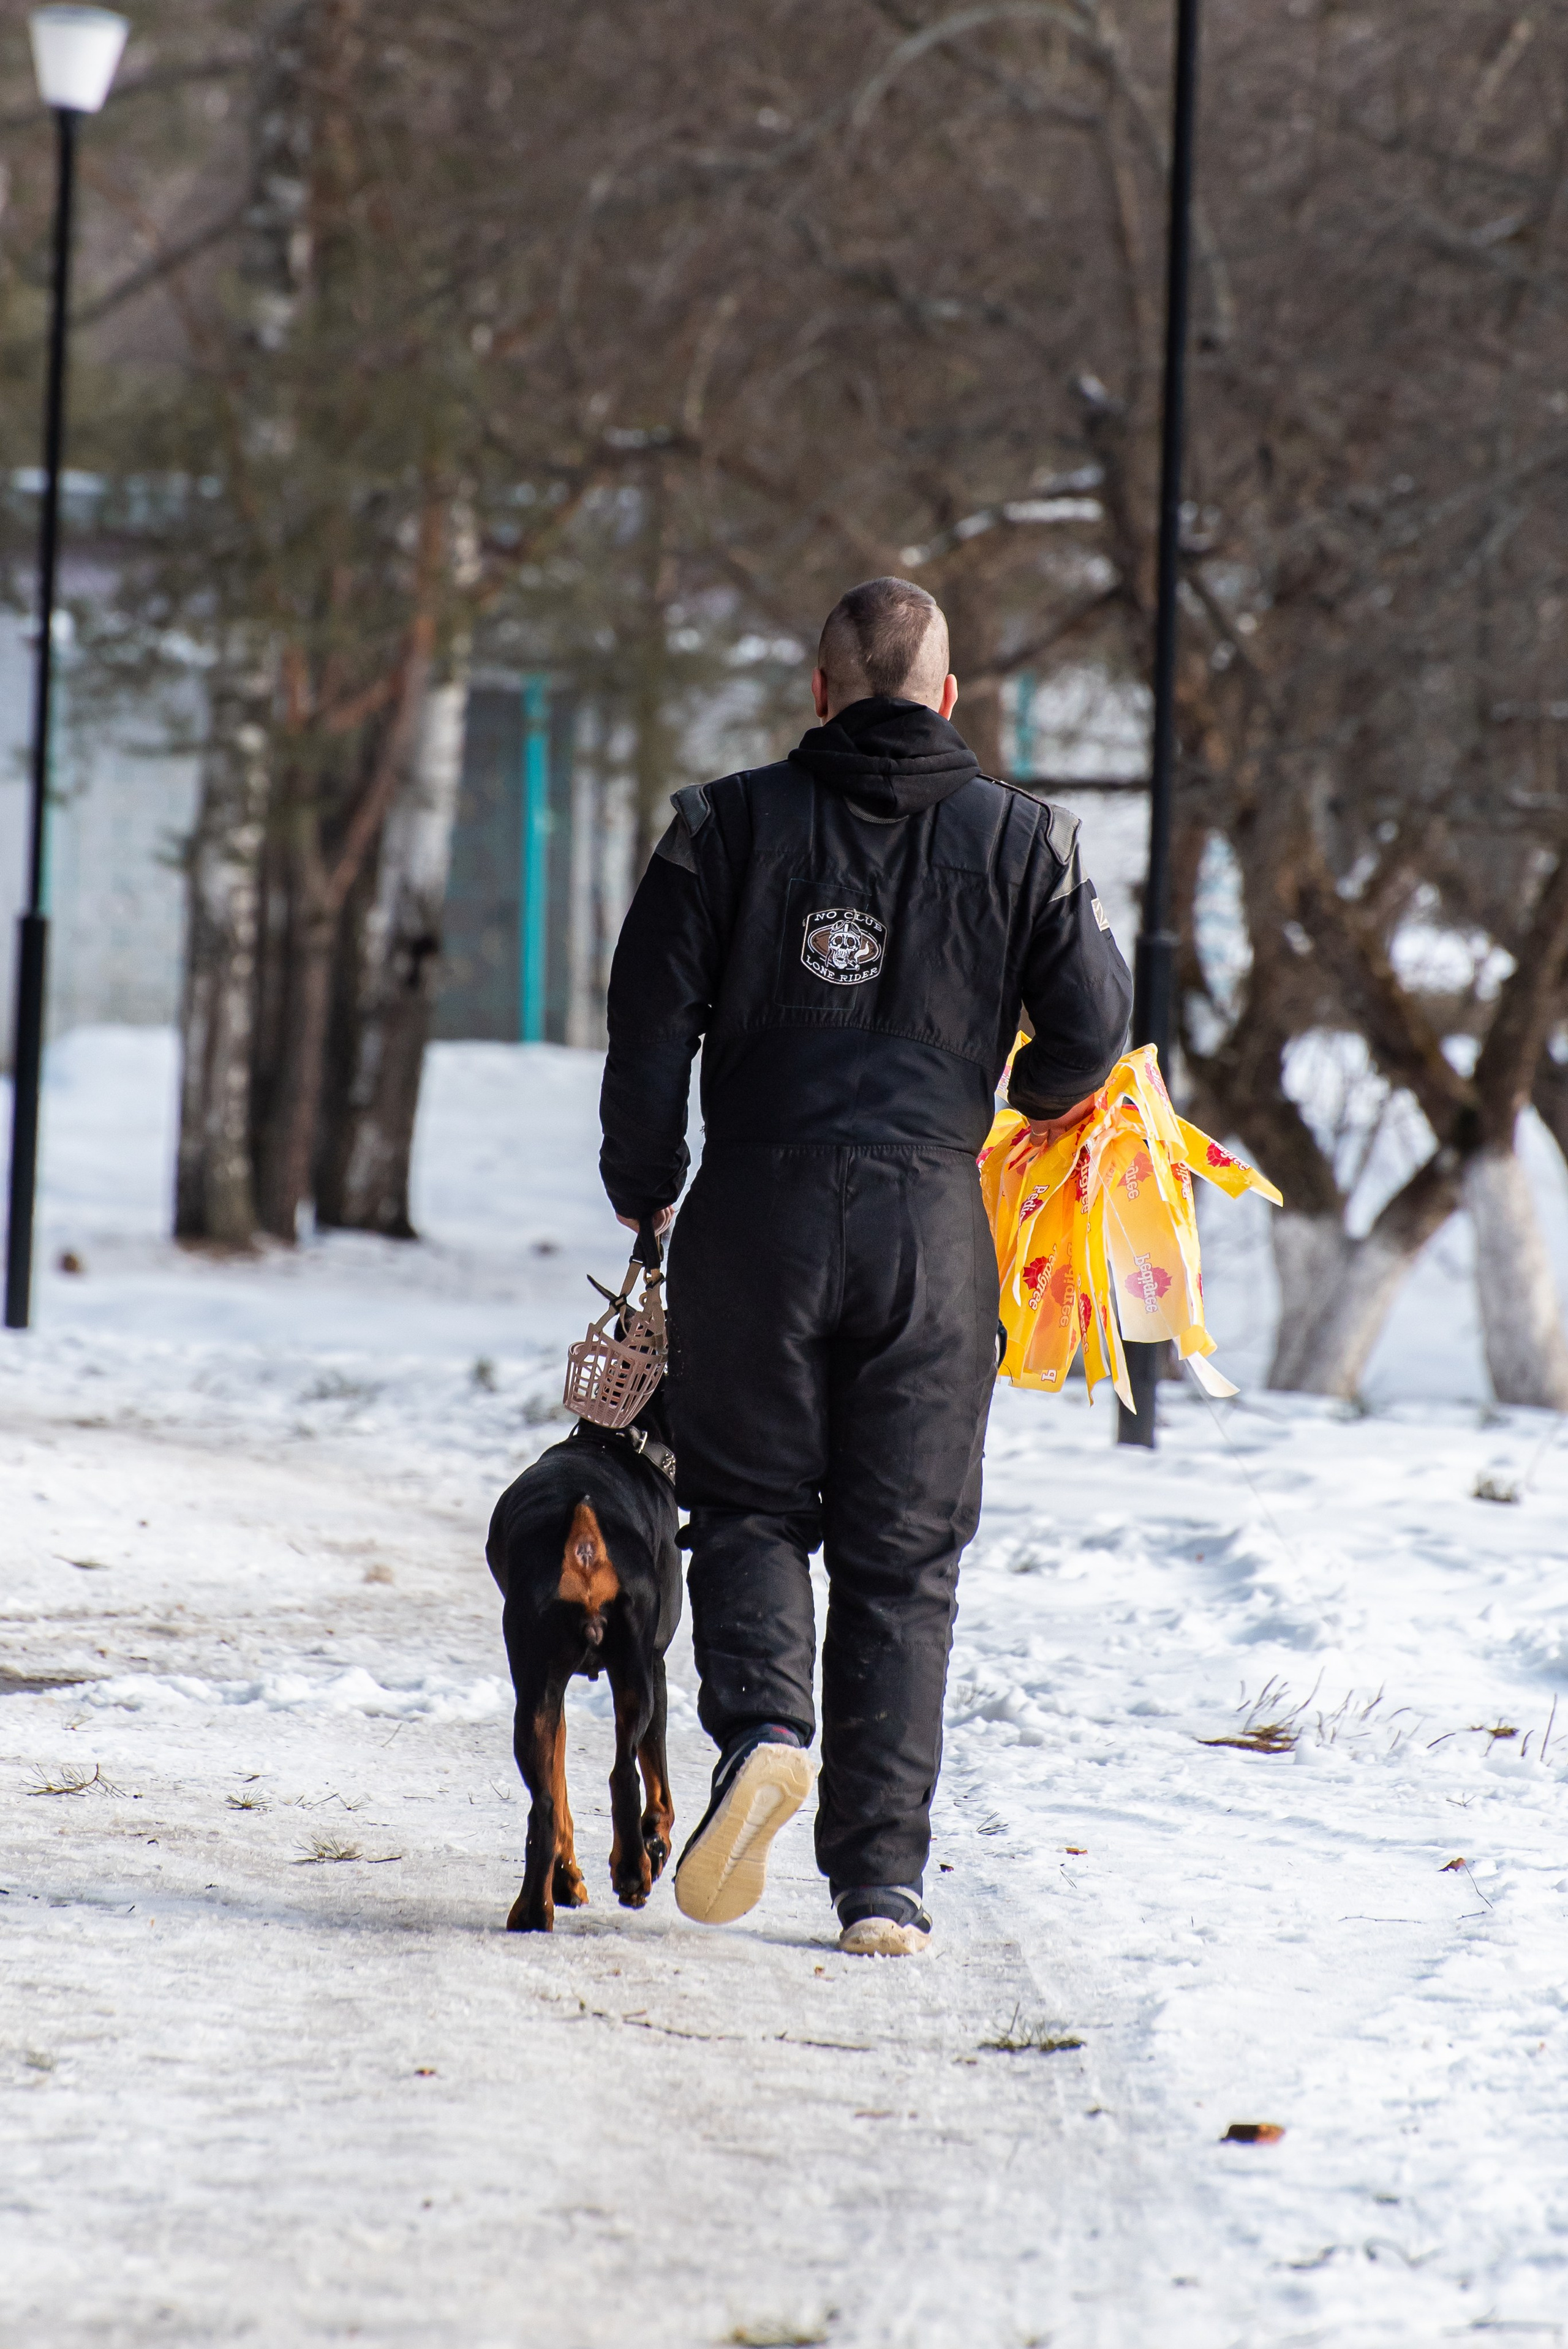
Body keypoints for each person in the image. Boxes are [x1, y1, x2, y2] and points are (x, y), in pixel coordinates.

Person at [598, 577, 1132, 1955]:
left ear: (818, 691)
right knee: (904, 1558)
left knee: (751, 1507)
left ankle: (766, 1731)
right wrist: (1014, 1106)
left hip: (755, 1211)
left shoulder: (718, 827)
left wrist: (645, 1189)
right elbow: (1096, 1023)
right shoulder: (1029, 840)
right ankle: (881, 1885)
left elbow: (647, 1027)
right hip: (930, 1225)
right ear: (947, 697)